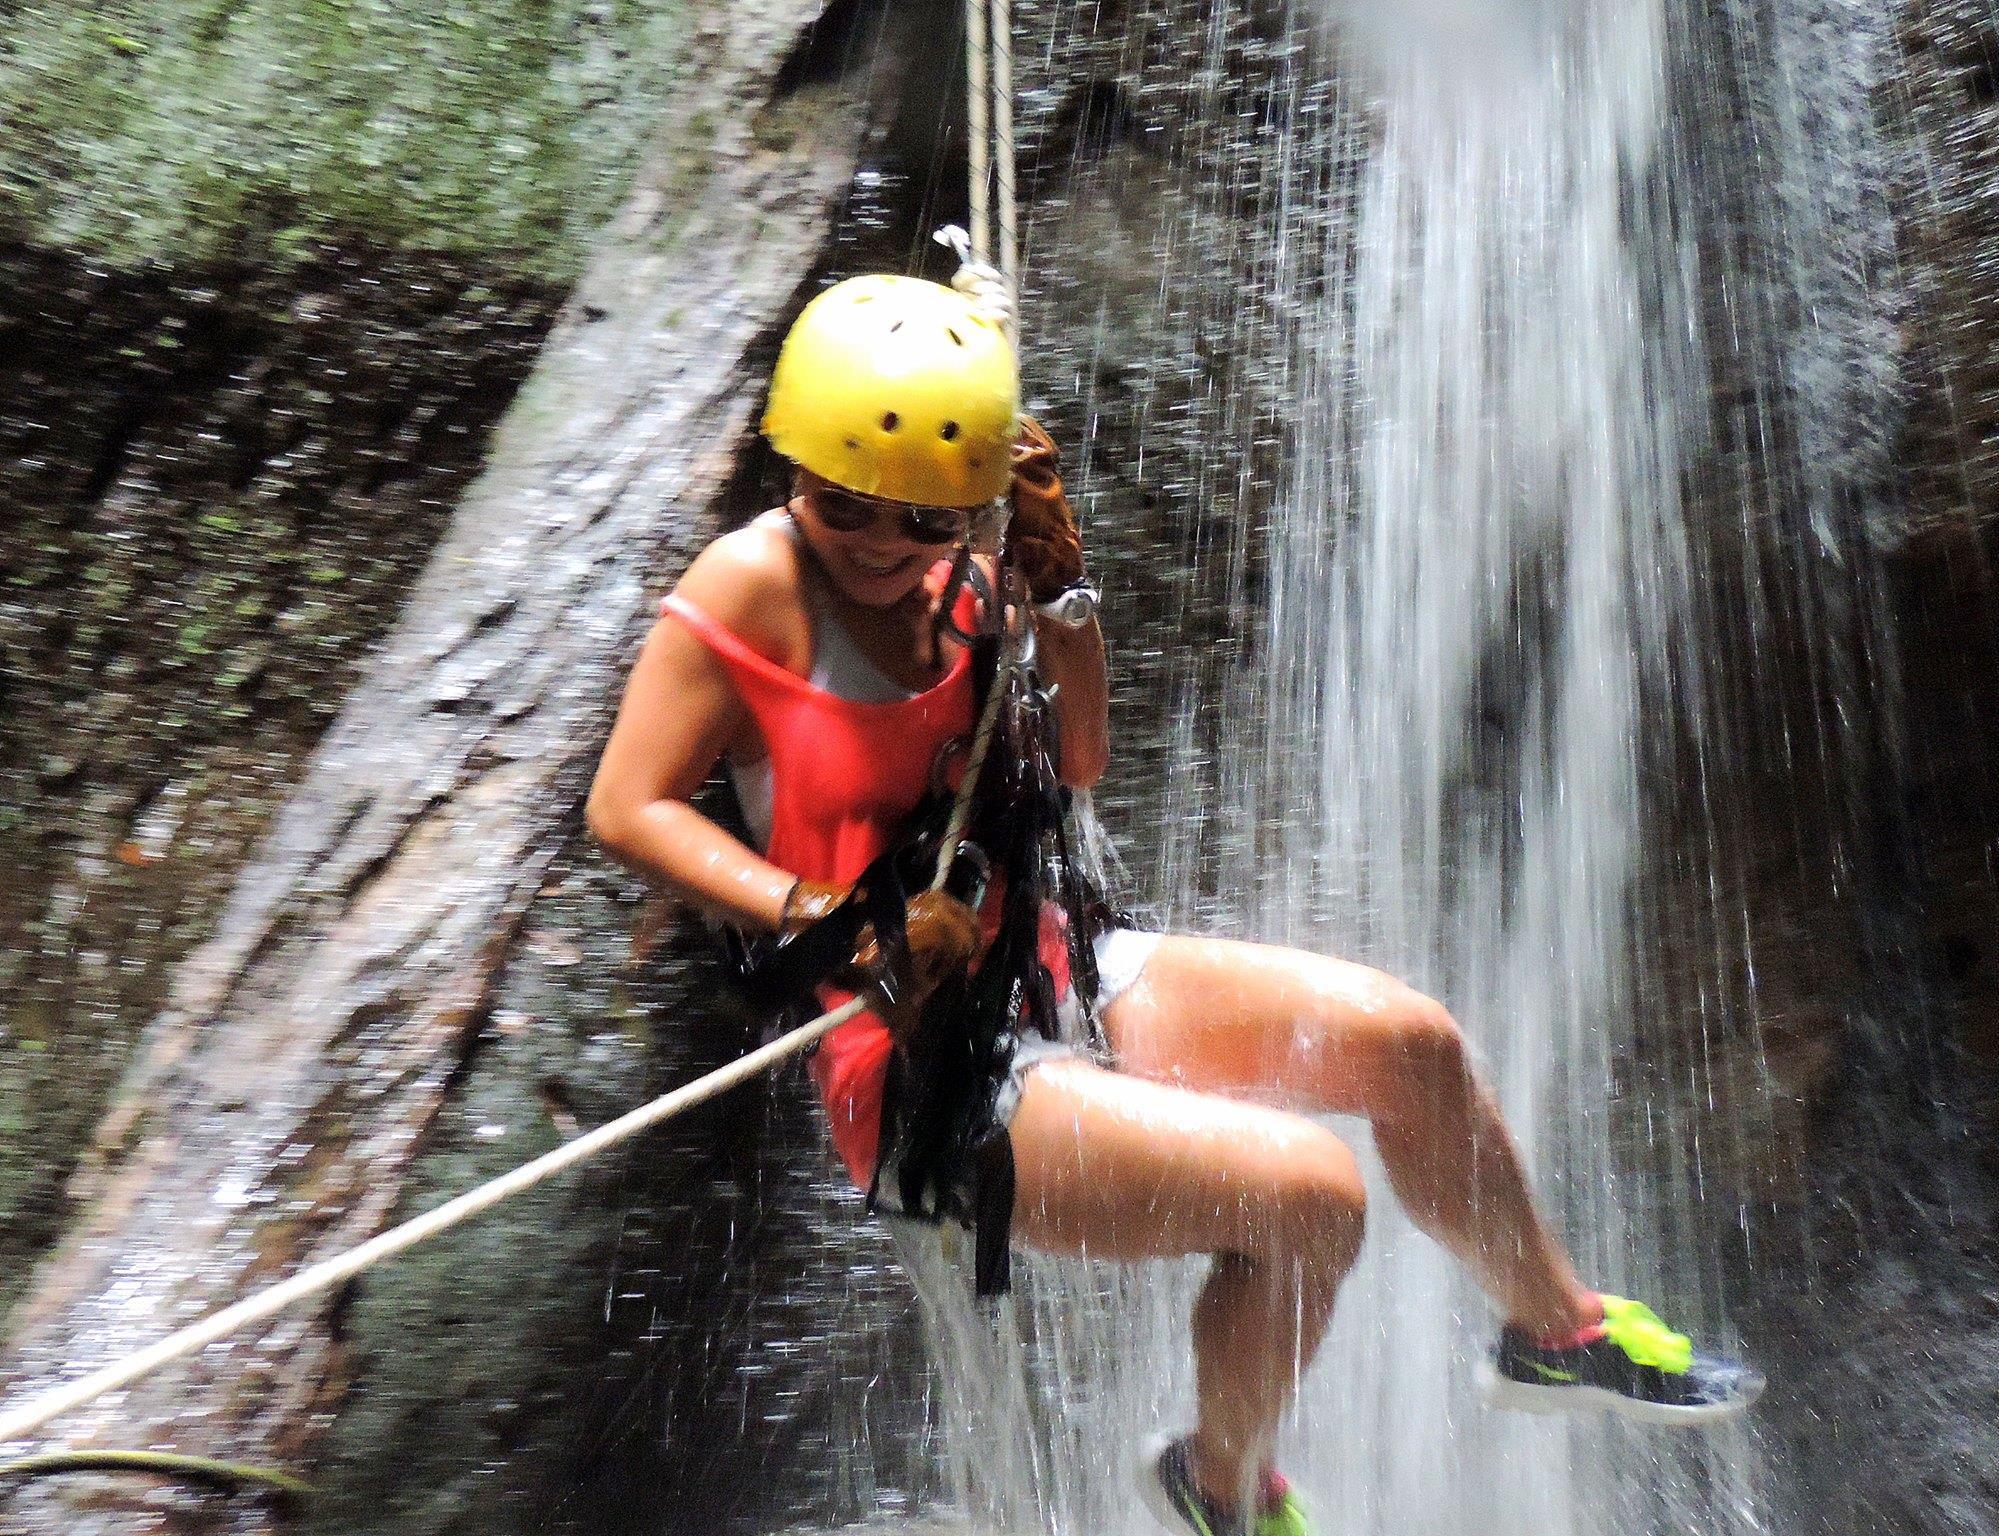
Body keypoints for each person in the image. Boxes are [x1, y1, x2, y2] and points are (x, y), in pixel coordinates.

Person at [585, 269, 1761, 1536]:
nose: (877, 542)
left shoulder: (964, 574)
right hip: (920, 1062)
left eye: (919, 521)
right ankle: (1222, 1492)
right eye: (841, 503)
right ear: (791, 471)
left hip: (1055, 967)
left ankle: (1554, 1333)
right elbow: (628, 808)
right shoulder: (746, 584)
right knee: (1311, 1197)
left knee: (1412, 1047)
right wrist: (833, 916)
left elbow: (1077, 760)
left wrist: (1061, 594)